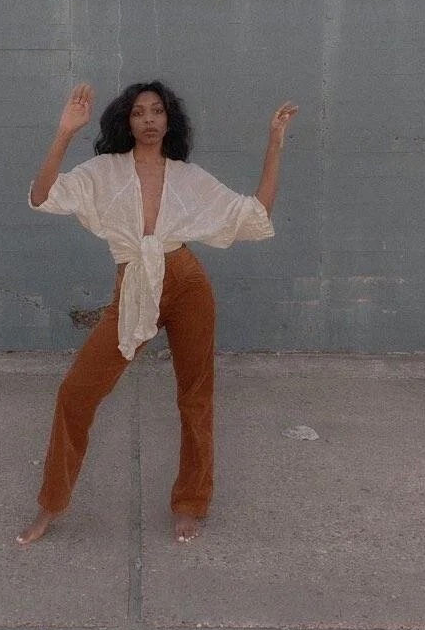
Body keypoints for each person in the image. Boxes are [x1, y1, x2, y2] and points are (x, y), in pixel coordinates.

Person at [17, 81, 298, 545]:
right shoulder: (103, 172)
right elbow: (43, 195)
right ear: (126, 122)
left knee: (195, 397)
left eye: (157, 111)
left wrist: (274, 143)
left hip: (187, 282)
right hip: (134, 284)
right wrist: (65, 131)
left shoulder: (188, 178)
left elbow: (255, 214)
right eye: (139, 113)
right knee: (76, 393)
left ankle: (191, 501)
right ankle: (51, 505)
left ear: (169, 120)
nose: (148, 120)